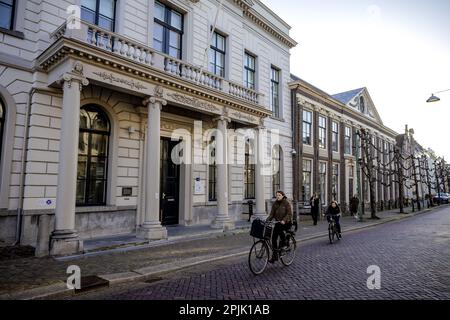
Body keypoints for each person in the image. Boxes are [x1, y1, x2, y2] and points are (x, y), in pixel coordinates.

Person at [266, 190, 293, 263]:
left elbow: (289, 214)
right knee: (273, 238)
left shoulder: (286, 203)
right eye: (277, 195)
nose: (277, 196)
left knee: (280, 230)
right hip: (278, 222)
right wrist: (267, 220)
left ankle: (284, 243)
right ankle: (275, 256)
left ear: (283, 196)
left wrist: (284, 220)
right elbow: (272, 214)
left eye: (279, 195)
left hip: (287, 222)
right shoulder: (275, 204)